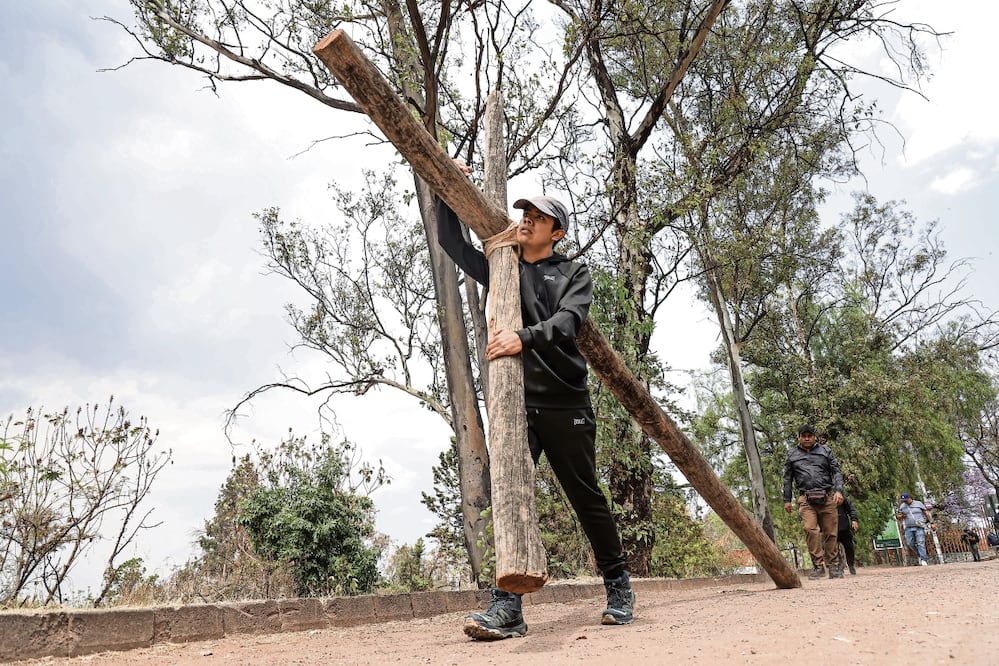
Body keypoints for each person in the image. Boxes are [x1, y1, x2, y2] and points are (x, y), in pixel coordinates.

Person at [436, 166, 634, 640]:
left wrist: (520, 338)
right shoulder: (503, 264)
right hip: (517, 408)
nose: (525, 218)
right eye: (524, 211)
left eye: (538, 216)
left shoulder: (573, 272)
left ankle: (619, 586)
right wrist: (447, 189)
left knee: (586, 497)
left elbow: (568, 323)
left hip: (567, 403)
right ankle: (508, 608)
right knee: (511, 497)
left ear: (557, 231)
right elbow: (451, 243)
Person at [782, 424, 845, 580]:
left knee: (831, 533)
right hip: (806, 499)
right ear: (799, 437)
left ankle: (834, 566)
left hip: (828, 497)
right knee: (810, 530)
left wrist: (839, 491)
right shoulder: (792, 454)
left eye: (810, 435)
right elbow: (787, 478)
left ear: (815, 437)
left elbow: (836, 471)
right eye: (804, 436)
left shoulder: (825, 451)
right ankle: (818, 566)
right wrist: (787, 499)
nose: (807, 438)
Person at [896, 493, 934, 566]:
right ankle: (920, 554)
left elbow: (926, 513)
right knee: (910, 543)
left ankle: (923, 559)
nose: (905, 502)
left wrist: (931, 523)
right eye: (903, 500)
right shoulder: (902, 506)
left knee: (920, 542)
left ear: (910, 498)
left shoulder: (918, 504)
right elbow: (899, 516)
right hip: (908, 527)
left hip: (919, 526)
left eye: (906, 500)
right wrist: (900, 516)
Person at [836, 493, 860, 575]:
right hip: (831, 529)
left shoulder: (841, 496)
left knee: (849, 547)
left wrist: (854, 519)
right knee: (832, 549)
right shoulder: (823, 496)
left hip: (844, 527)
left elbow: (851, 508)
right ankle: (839, 566)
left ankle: (851, 565)